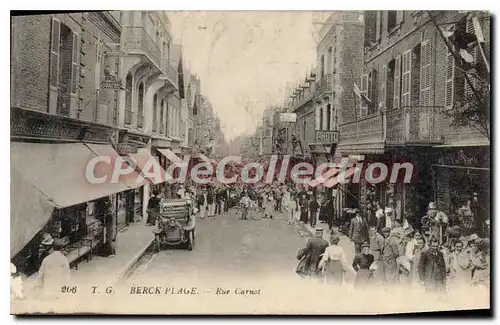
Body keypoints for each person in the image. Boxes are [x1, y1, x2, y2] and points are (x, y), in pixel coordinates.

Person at [35, 235, 71, 299]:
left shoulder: (46, 259)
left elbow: (40, 275)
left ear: (52, 247)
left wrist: (39, 287)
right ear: (61, 248)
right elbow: (67, 277)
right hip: (59, 292)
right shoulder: (64, 259)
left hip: (47, 290)